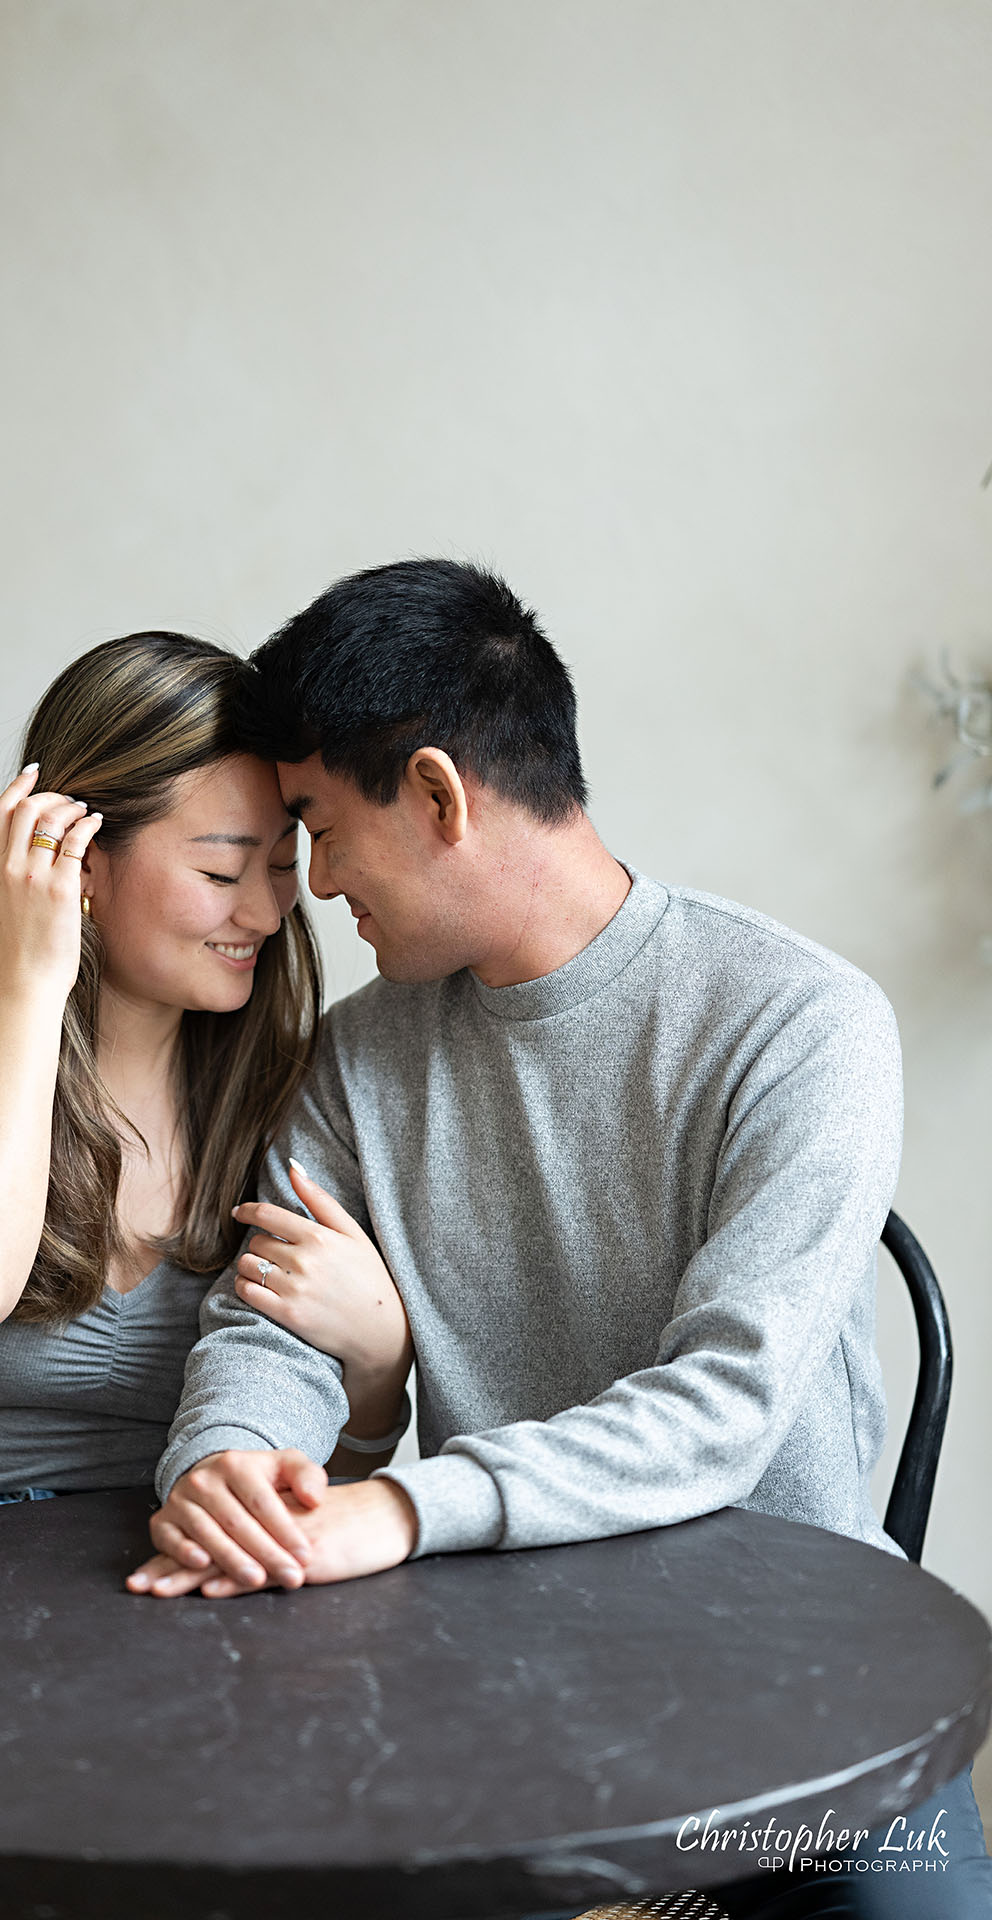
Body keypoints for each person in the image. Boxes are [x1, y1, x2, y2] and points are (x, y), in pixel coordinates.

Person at [126, 562, 992, 1919]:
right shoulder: (360, 1058)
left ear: (436, 795)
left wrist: (402, 1507)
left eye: (319, 827)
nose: (314, 884)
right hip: (495, 1672)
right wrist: (231, 1465)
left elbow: (725, 1407)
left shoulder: (800, 1023)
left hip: (794, 1680)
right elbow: (269, 1318)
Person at [0, 629, 412, 1555]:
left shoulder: (293, 1088)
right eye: (219, 871)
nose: (264, 911)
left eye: (282, 864)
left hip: (174, 1548)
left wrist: (376, 1359)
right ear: (78, 862)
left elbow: (330, 1481)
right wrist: (35, 981)